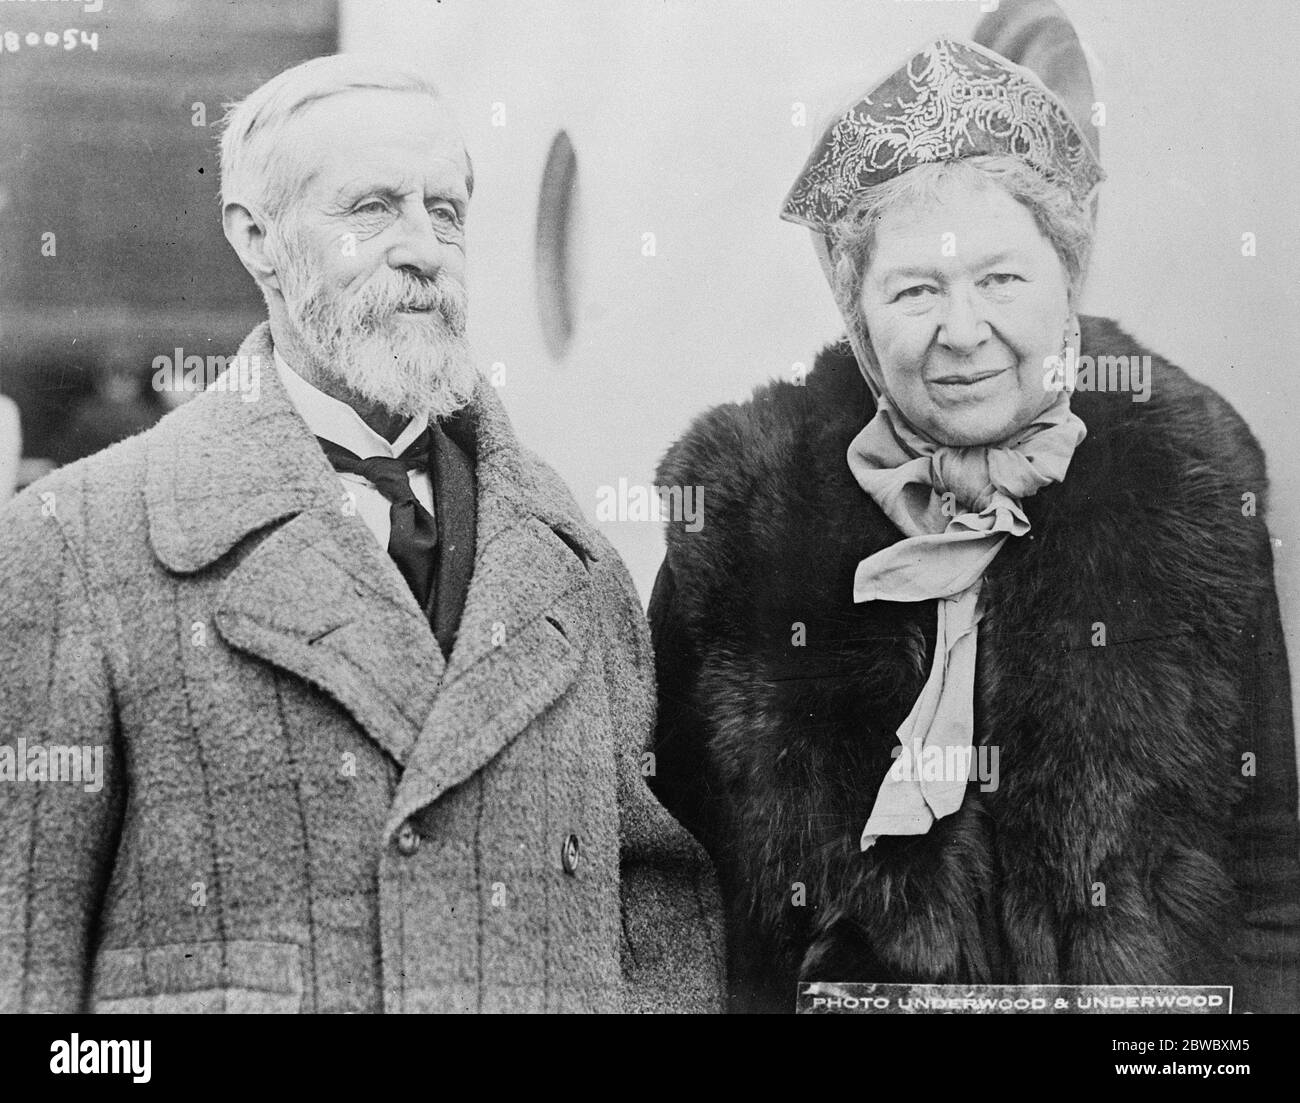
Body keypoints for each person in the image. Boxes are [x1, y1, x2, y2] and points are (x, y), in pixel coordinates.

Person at [0, 54, 723, 1014]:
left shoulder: (575, 563)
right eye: (373, 209)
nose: (424, 247)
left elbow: (654, 912)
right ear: (256, 238)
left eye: (447, 212)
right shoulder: (79, 543)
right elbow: (24, 953)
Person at [648, 37, 1300, 1014]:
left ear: (1064, 281)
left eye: (1000, 280)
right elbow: (676, 891)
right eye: (914, 290)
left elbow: (1269, 872)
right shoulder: (742, 518)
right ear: (858, 314)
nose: (961, 330)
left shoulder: (1190, 481)